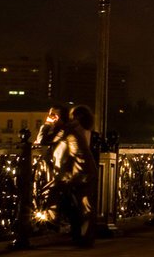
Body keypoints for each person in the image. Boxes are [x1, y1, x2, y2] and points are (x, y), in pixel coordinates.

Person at [53, 105, 96, 247]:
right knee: (85, 205)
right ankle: (84, 237)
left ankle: (78, 235)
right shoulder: (84, 129)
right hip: (87, 171)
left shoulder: (71, 127)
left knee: (67, 199)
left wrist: (49, 125)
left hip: (78, 173)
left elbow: (50, 140)